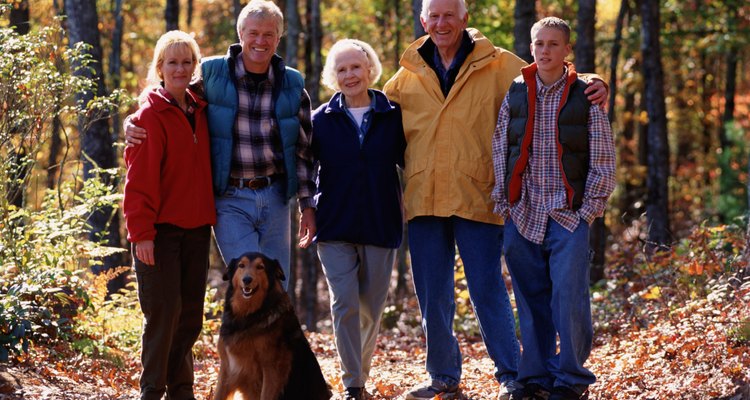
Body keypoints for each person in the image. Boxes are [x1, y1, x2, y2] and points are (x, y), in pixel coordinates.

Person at [382, 0, 608, 399]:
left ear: (465, 19)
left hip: (477, 192)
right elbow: (378, 128)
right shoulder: (405, 75)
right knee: (432, 294)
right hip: (424, 196)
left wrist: (595, 82)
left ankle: (512, 374)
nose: (441, 23)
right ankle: (442, 376)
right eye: (433, 16)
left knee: (488, 288)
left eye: (449, 14)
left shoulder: (498, 63)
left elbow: (548, 71)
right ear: (423, 21)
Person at [125, 0, 316, 290]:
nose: (260, 41)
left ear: (279, 37)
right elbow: (169, 93)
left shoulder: (291, 83)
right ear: (240, 34)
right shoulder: (213, 74)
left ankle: (274, 338)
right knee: (250, 283)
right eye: (253, 33)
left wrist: (307, 205)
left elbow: (302, 150)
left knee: (278, 288)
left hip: (276, 197)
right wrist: (135, 118)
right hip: (231, 198)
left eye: (269, 34)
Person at [491, 17, 616, 400]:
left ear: (566, 50)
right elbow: (501, 146)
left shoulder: (585, 95)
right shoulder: (516, 91)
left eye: (553, 44)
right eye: (539, 44)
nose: (545, 50)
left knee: (568, 297)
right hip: (523, 211)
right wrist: (503, 202)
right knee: (530, 300)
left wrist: (589, 209)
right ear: (531, 48)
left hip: (568, 213)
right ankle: (535, 378)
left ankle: (572, 378)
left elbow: (603, 156)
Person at [302, 39, 406, 400]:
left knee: (370, 309)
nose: (350, 75)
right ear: (334, 75)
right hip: (334, 224)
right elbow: (305, 170)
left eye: (356, 67)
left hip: (381, 222)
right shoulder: (320, 121)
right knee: (344, 302)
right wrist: (307, 209)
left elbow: (415, 162)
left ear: (369, 69)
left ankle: (358, 373)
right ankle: (353, 384)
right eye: (342, 69)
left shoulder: (393, 115)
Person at [123, 30, 216, 400]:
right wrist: (141, 232)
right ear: (159, 68)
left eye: (187, 61)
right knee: (164, 316)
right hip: (158, 232)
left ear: (195, 67)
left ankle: (181, 390)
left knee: (191, 317)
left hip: (197, 229)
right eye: (172, 62)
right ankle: (152, 390)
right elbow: (139, 181)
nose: (180, 68)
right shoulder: (149, 115)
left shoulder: (201, 108)